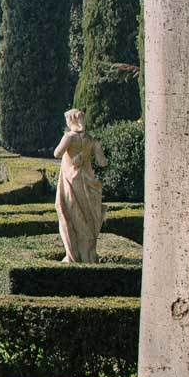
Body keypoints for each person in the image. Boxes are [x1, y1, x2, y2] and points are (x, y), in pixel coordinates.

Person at [53, 107, 107, 262]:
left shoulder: (69, 137)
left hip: (71, 181)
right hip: (88, 182)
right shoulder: (92, 140)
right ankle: (88, 255)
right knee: (87, 218)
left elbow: (56, 153)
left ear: (71, 121)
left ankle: (72, 256)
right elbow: (103, 163)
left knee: (69, 215)